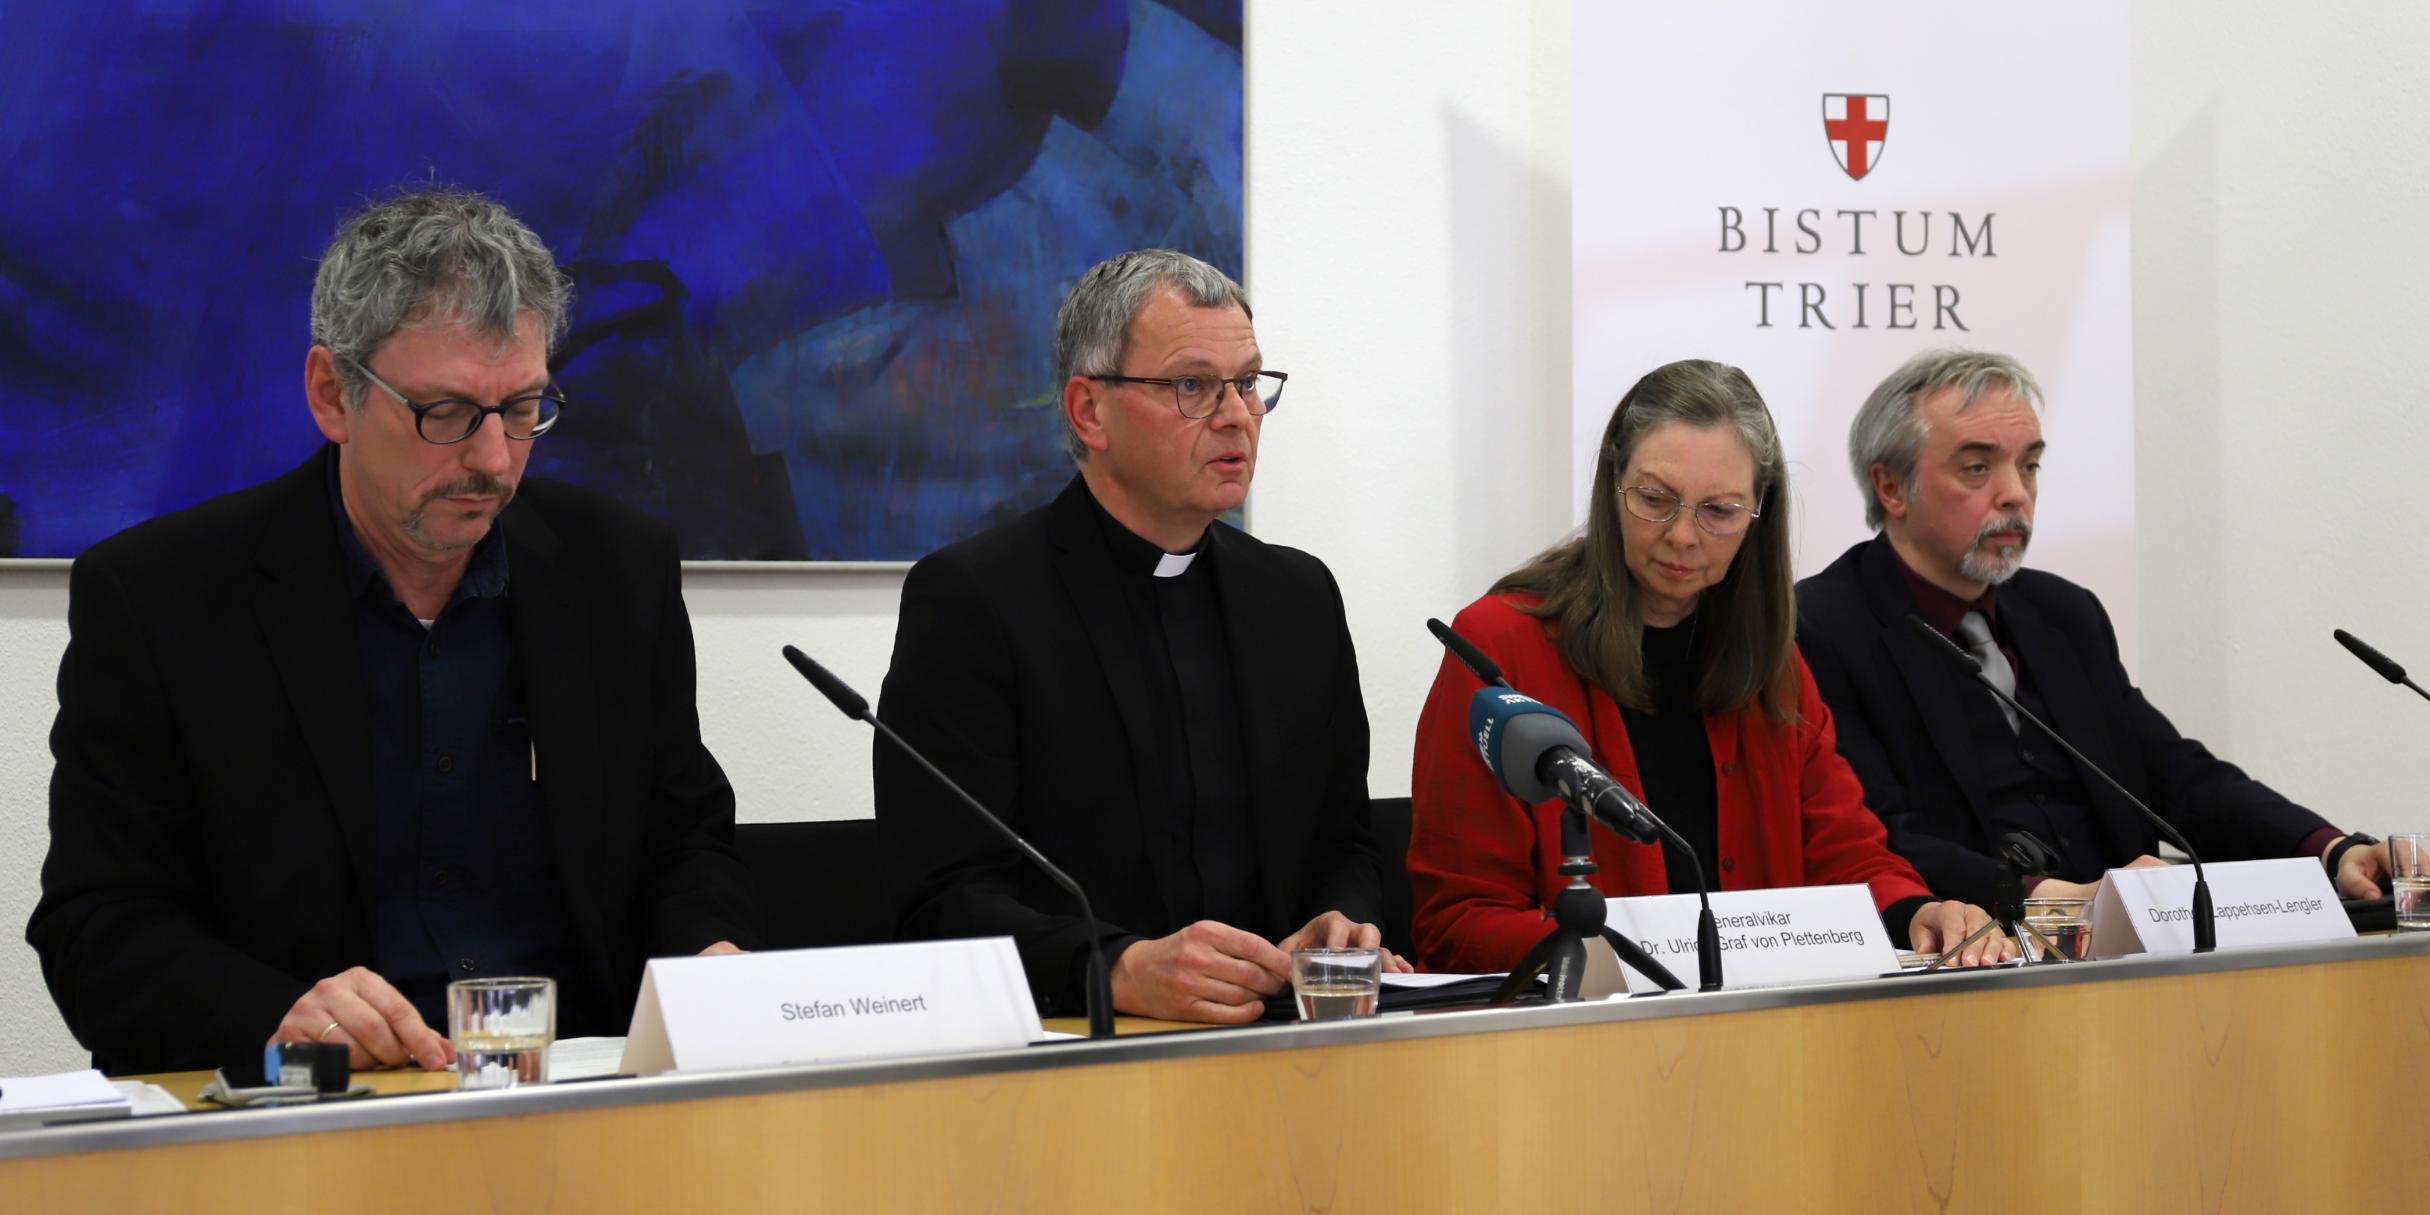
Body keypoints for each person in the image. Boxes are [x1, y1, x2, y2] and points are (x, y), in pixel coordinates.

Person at [28, 189, 759, 1076]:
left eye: (523, 408)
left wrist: (711, 959)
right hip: (310, 1116)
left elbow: (683, 842)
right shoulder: (163, 600)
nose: (492, 459)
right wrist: (281, 1014)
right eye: (443, 414)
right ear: (332, 394)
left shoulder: (616, 572)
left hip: (571, 1092)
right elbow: (98, 929)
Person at [876, 249, 1402, 1025]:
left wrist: (1339, 917)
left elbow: (1345, 838)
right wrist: (1114, 967)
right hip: (1076, 1056)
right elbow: (942, 895)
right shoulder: (975, 600)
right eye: (1193, 386)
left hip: (1285, 1046)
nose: (1236, 415)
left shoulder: (1297, 597)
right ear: (1089, 411)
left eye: (1249, 383)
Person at [1409, 359, 2009, 974]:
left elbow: (1848, 856)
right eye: (1654, 499)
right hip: (1577, 1042)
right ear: (1612, 484)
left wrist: (1917, 912)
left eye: (1719, 511)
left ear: (1758, 513)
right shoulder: (1502, 644)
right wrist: (1617, 959)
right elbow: (1454, 920)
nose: (1683, 535)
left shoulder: (1771, 663)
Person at [1796, 349, 2393, 910]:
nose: (2016, 494)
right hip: (1968, 950)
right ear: (1892, 487)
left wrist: (2327, 849)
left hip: (2124, 951)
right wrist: (2056, 898)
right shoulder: (1822, 626)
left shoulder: (2063, 614)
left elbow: (2174, 772)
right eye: (1978, 468)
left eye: (2029, 465)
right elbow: (1871, 834)